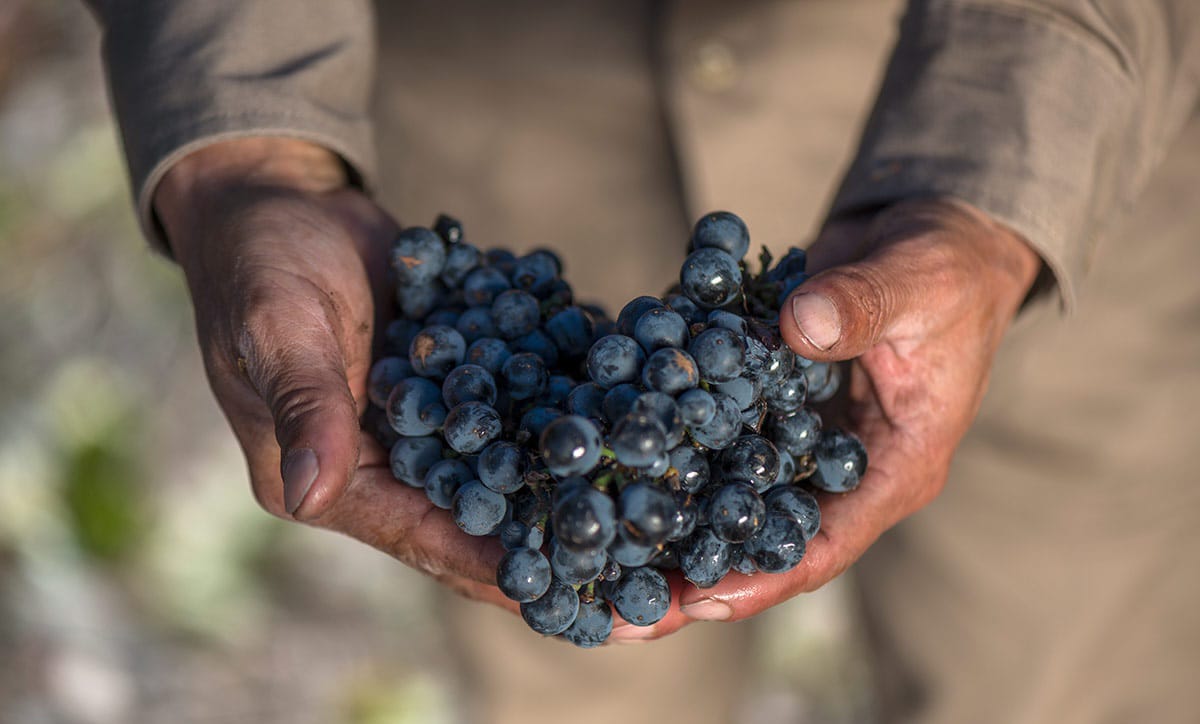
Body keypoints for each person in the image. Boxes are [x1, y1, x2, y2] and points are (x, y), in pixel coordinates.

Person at [88, 1, 1200, 722]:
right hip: (497, 101)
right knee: (578, 669)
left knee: (1062, 671)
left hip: (1007, 100)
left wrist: (1004, 186)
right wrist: (255, 150)